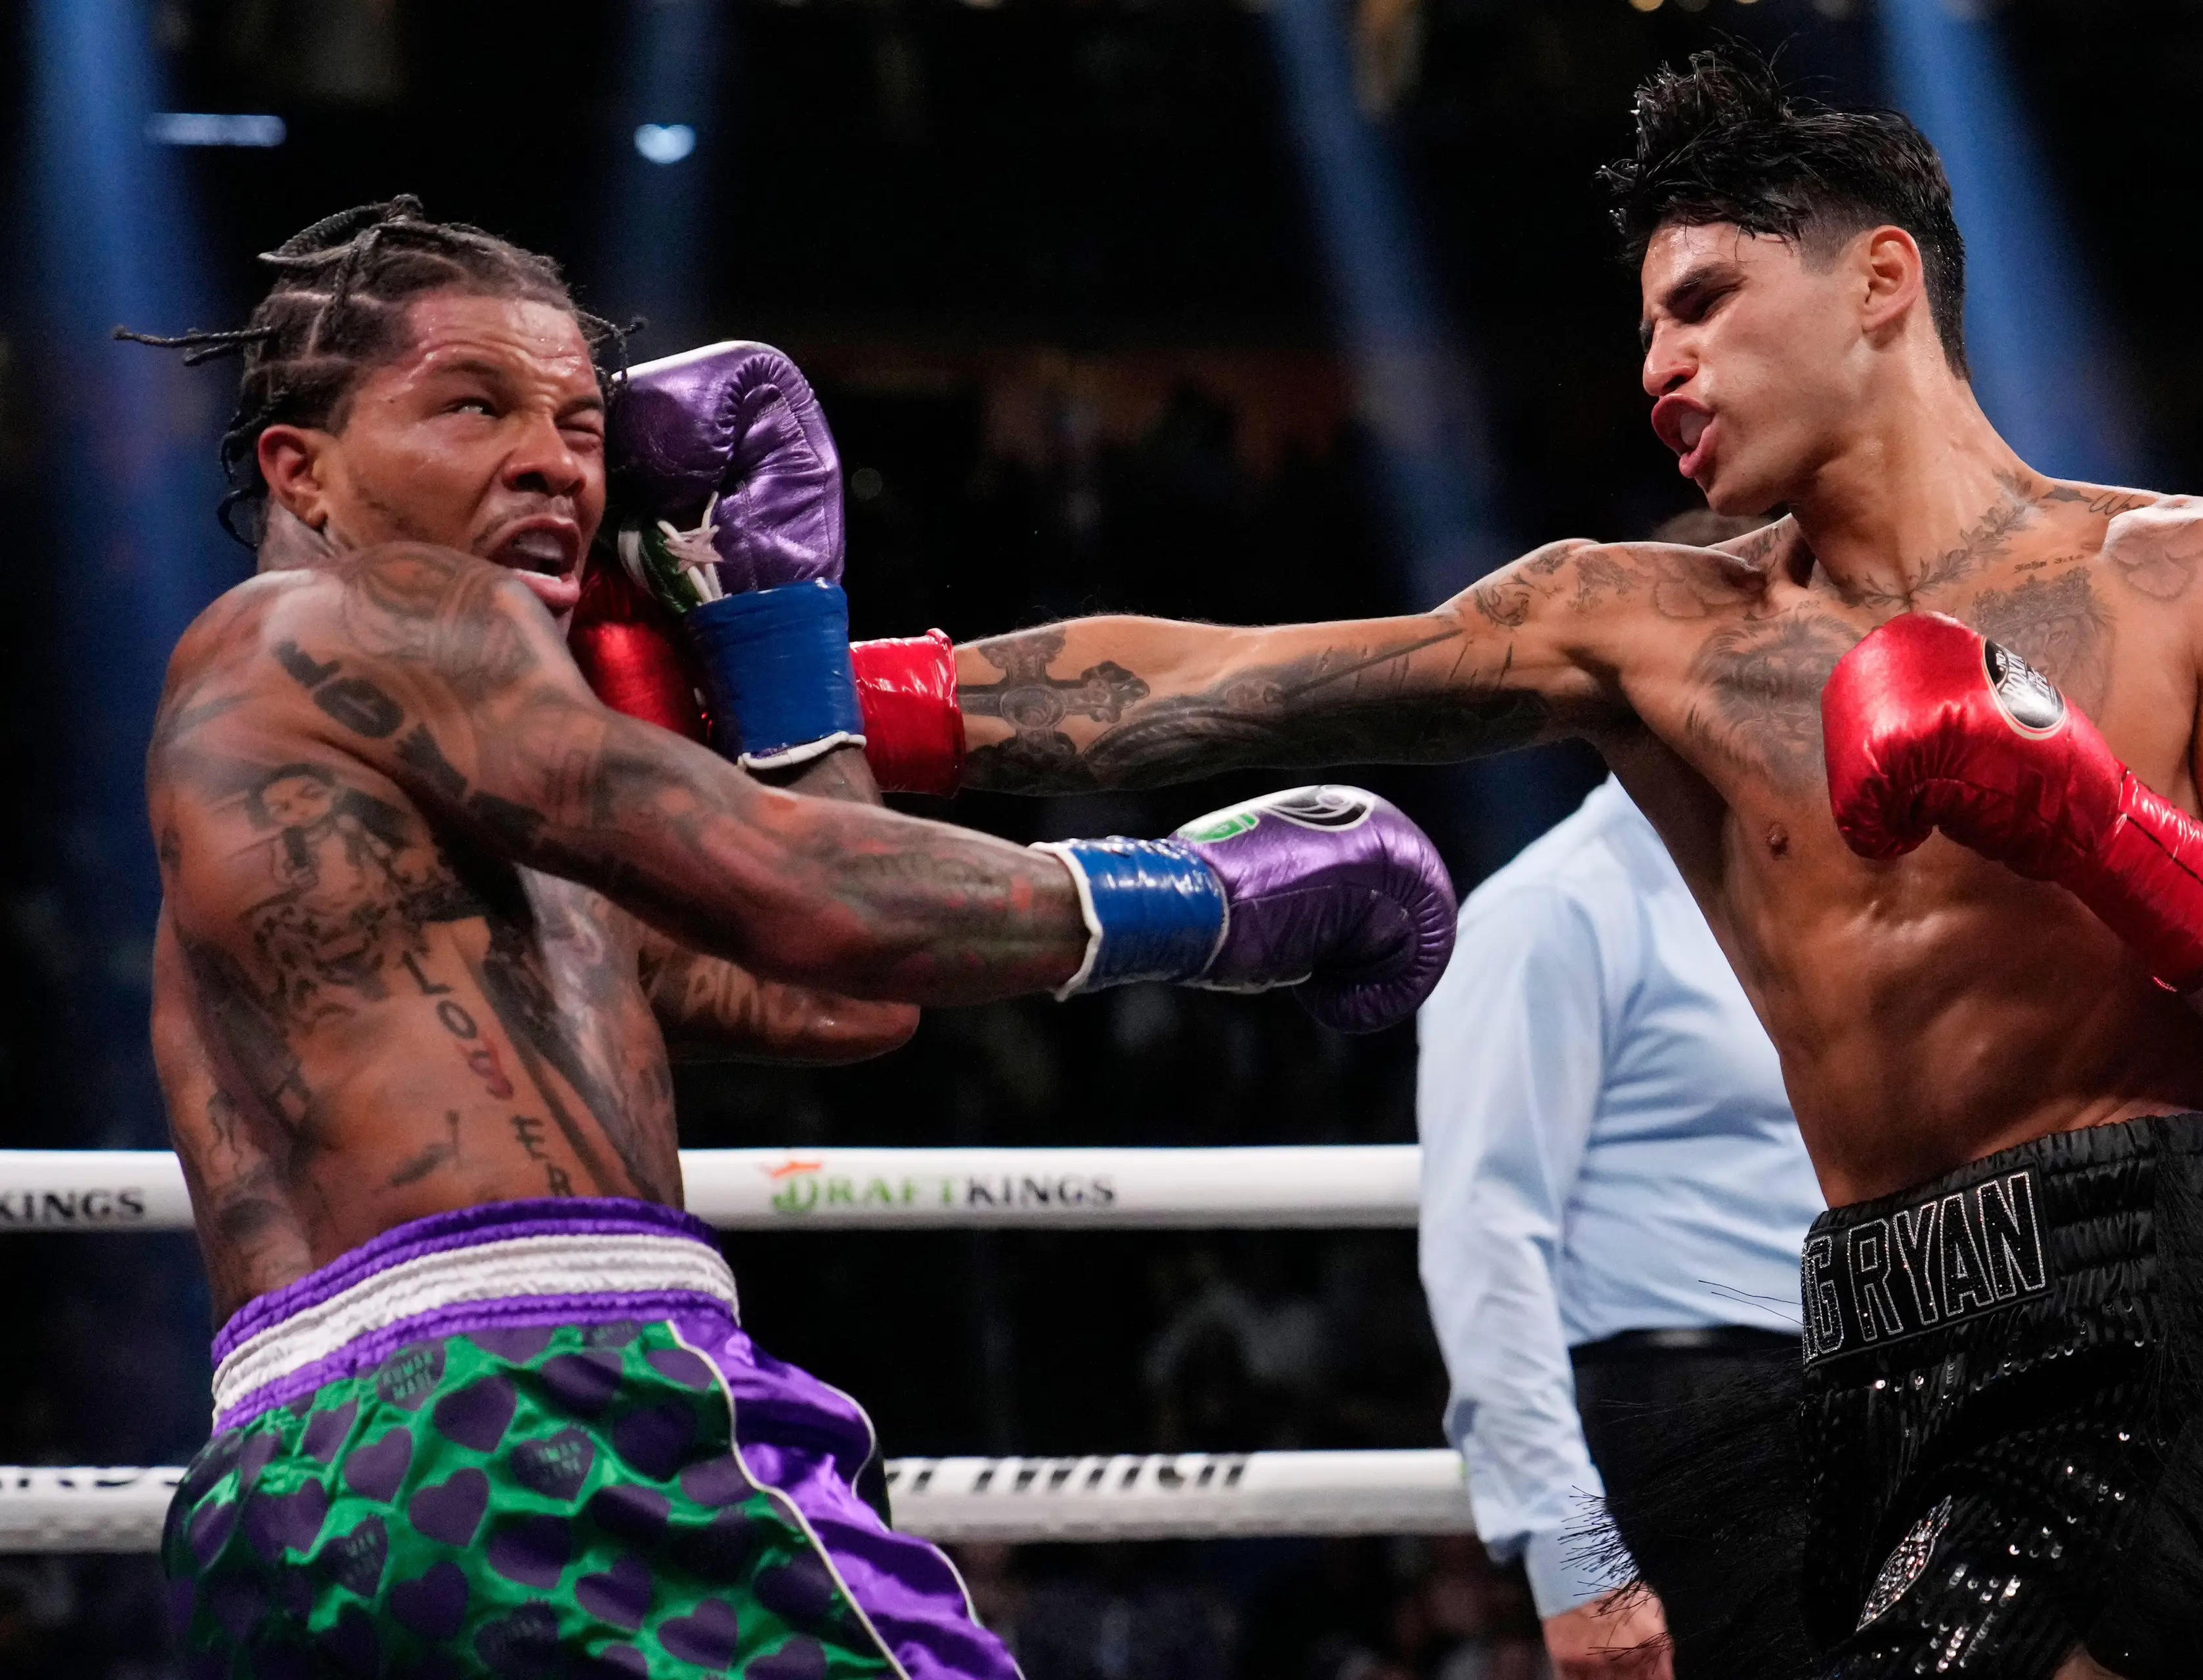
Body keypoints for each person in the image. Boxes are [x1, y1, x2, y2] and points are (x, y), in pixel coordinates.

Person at [811, 50, 2203, 1680]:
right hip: (1852, 1361)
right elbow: (1202, 690)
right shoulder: (1647, 632)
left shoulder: (2197, 574)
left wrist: (2089, 816)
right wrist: (806, 699)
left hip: (2148, 1337)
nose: (1657, 370)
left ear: (1879, 281)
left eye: (1702, 302)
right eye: (1645, 330)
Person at [131, 198, 1458, 1679]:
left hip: (278, 1494)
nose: (550, 460)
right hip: (541, 1407)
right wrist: (1212, 897)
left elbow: (835, 994)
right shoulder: (375, 610)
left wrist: (777, 617)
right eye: (471, 403)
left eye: (584, 423)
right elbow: (802, 883)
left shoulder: (387, 805)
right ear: (300, 468)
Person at [1416, 772, 1822, 1679]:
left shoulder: (1830, 904)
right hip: (1678, 1422)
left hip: (1866, 1415)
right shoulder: (1551, 907)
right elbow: (1483, 1241)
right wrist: (1574, 1564)